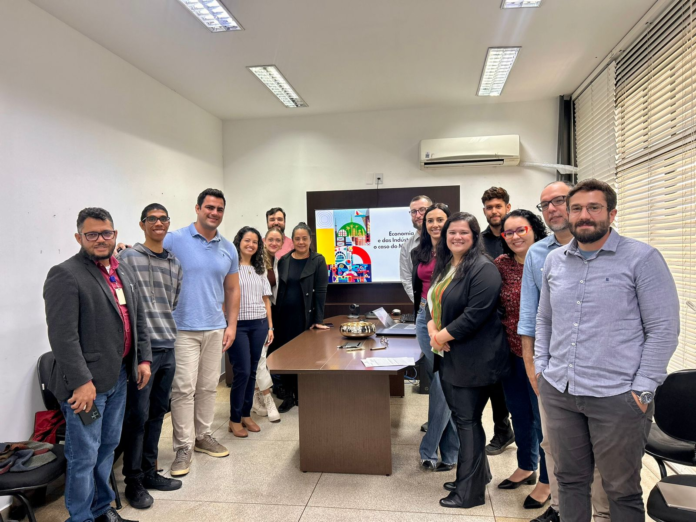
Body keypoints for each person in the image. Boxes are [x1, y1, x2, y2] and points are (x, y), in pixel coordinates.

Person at [535, 179, 680, 522]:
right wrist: (542, 368)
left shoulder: (642, 258)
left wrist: (643, 390)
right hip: (560, 392)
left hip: (618, 397)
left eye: (594, 208)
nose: (584, 215)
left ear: (611, 214)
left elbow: (663, 330)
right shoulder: (555, 261)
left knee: (621, 490)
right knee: (569, 482)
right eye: (576, 208)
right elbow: (544, 319)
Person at [44, 207, 152, 522]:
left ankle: (102, 509)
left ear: (114, 234)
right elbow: (63, 336)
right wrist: (81, 382)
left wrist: (143, 358)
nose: (100, 239)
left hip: (118, 377)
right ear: (79, 237)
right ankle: (81, 517)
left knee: (107, 447)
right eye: (92, 234)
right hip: (87, 388)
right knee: (84, 455)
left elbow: (137, 317)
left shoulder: (122, 270)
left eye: (106, 233)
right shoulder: (65, 274)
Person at [518, 180, 610, 522]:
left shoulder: (615, 250)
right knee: (553, 445)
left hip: (602, 373)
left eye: (559, 201)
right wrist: (534, 369)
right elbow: (532, 318)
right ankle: (559, 509)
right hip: (554, 373)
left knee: (599, 452)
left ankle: (602, 514)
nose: (552, 209)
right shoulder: (539, 255)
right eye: (545, 204)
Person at [426, 212, 510, 509]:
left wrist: (440, 337)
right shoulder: (449, 264)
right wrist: (432, 329)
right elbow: (434, 302)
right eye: (452, 232)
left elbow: (475, 315)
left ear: (475, 236)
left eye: (463, 232)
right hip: (452, 356)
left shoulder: (483, 268)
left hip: (475, 359)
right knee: (465, 419)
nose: (457, 237)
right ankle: (476, 476)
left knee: (467, 421)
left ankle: (469, 493)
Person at [165, 188, 240, 477]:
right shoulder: (175, 239)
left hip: (215, 327)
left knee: (208, 387)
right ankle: (183, 446)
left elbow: (232, 289)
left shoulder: (228, 248)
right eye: (209, 207)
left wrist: (231, 325)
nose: (214, 213)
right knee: (183, 388)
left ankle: (203, 436)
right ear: (197, 208)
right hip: (182, 327)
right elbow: (148, 250)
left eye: (219, 209)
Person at [116, 204, 183, 509]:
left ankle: (149, 471)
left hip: (168, 346)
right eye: (152, 219)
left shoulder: (175, 263)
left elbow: (173, 302)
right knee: (137, 416)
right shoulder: (128, 258)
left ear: (168, 224)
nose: (158, 223)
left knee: (157, 413)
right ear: (142, 224)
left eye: (163, 218)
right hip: (142, 352)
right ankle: (133, 480)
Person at [494, 210, 550, 510]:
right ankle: (526, 466)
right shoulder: (501, 265)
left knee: (545, 421)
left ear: (534, 229)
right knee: (520, 413)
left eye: (521, 230)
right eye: (509, 232)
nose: (515, 236)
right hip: (512, 352)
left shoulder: (551, 259)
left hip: (545, 356)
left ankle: (548, 480)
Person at [411, 204, 458, 472]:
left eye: (440, 219)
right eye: (430, 220)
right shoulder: (421, 251)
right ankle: (451, 452)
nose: (435, 224)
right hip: (423, 318)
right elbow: (418, 285)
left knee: (443, 382)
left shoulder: (456, 250)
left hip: (446, 319)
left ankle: (429, 448)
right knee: (440, 381)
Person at [270, 222, 329, 412]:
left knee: (305, 357)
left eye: (304, 238)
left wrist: (318, 320)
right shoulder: (284, 260)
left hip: (305, 318)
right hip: (283, 318)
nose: (301, 242)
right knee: (286, 356)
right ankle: (288, 396)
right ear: (292, 240)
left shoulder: (318, 260)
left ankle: (303, 394)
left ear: (310, 240)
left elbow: (321, 292)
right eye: (297, 238)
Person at [226, 227, 274, 437]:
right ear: (239, 242)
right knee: (242, 372)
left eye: (255, 242)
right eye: (247, 240)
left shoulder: (260, 269)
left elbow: (266, 300)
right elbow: (224, 297)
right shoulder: (230, 267)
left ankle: (246, 414)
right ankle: (234, 419)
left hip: (259, 324)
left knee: (253, 371)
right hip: (237, 325)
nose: (251, 245)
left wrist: (270, 326)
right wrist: (226, 324)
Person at [479, 186, 515, 456]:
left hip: (517, 320)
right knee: (494, 382)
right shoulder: (478, 242)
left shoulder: (517, 236)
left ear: (507, 208)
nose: (494, 211)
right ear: (484, 211)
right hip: (490, 321)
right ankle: (503, 431)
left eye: (498, 206)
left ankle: (526, 435)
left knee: (518, 382)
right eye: (489, 207)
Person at [250, 226, 283, 423]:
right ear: (264, 240)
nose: (274, 243)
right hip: (252, 314)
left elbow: (270, 295)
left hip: (268, 312)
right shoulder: (256, 261)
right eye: (270, 239)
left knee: (259, 358)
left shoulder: (276, 261)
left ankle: (256, 399)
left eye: (278, 240)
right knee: (260, 358)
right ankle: (267, 398)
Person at [400, 195, 433, 302]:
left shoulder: (447, 241)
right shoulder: (407, 247)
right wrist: (421, 303)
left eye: (422, 210)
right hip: (422, 305)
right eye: (414, 211)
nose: (418, 215)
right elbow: (407, 279)